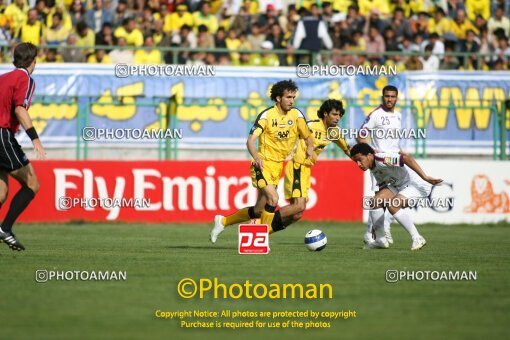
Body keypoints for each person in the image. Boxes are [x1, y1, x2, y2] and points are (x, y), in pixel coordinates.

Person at [210, 80, 314, 243]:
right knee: (273, 199)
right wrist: (256, 156)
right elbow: (251, 140)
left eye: (293, 97)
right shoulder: (267, 115)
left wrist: (310, 147)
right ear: (278, 98)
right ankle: (261, 239)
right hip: (262, 164)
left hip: (278, 166)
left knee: (259, 210)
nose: (292, 101)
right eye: (288, 97)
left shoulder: (296, 115)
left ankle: (223, 221)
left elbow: (307, 136)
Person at [275, 99, 350, 231]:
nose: (337, 118)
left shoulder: (335, 132)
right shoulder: (310, 125)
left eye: (339, 115)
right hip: (297, 166)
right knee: (299, 206)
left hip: (306, 170)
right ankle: (260, 222)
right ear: (325, 114)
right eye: (334, 114)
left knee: (297, 215)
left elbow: (347, 149)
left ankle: (265, 232)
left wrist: (362, 160)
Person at [350, 143, 442, 250]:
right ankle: (380, 240)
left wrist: (425, 177)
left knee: (393, 205)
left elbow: (406, 158)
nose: (358, 164)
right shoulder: (373, 168)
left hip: (416, 184)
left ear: (369, 155)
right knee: (374, 202)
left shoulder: (382, 159)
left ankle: (417, 238)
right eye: (355, 161)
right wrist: (376, 224)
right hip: (398, 186)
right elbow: (381, 191)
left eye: (360, 159)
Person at [0, 42, 46, 251]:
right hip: (2, 135)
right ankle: (5, 228)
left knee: (1, 193)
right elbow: (20, 109)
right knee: (32, 184)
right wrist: (35, 139)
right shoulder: (25, 78)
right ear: (33, 61)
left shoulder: (3, 78)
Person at [357, 85, 402, 245]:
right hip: (380, 164)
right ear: (382, 97)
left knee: (391, 199)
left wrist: (401, 154)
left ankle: (376, 232)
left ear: (397, 98)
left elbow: (394, 142)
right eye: (387, 96)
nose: (389, 99)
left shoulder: (398, 115)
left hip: (395, 163)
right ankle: (373, 233)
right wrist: (372, 153)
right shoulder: (375, 114)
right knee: (380, 199)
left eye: (392, 96)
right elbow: (360, 135)